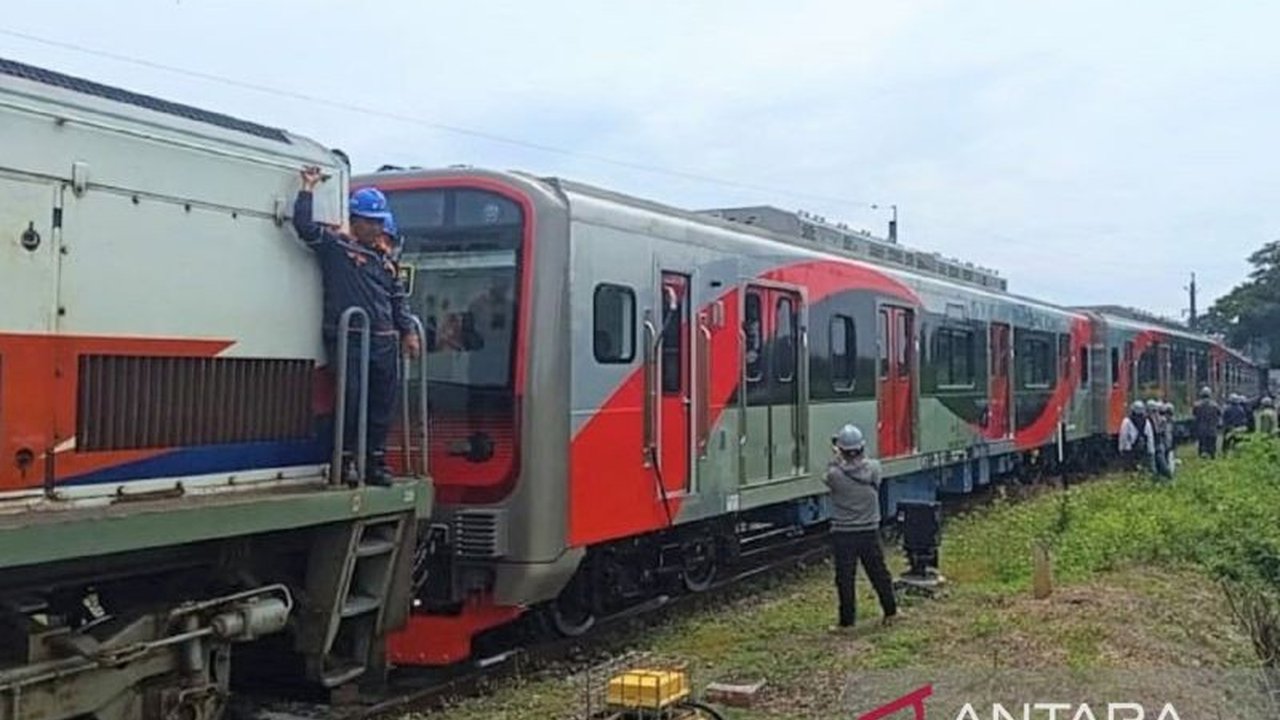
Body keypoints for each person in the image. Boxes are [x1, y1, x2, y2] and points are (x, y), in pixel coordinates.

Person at [292, 167, 421, 486]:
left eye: (379, 221)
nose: (376, 227)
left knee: (382, 401)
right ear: (355, 219)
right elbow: (305, 228)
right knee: (351, 397)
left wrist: (408, 331)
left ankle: (375, 461)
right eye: (369, 220)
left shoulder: (384, 259)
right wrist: (306, 189)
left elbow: (396, 298)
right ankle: (346, 458)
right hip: (349, 337)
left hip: (384, 339)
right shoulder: (337, 247)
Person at [824, 424, 898, 631]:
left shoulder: (835, 475)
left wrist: (837, 457)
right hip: (869, 530)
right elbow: (872, 475)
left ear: (841, 450)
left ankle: (847, 622)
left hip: (844, 534)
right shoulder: (874, 468)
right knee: (879, 572)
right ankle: (891, 611)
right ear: (862, 447)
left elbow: (829, 475)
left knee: (845, 579)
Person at [1118, 401, 1155, 472]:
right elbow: (1150, 438)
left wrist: (1121, 448)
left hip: (1129, 450)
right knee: (1143, 469)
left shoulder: (1127, 421)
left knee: (1129, 470)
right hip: (1143, 450)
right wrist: (1151, 451)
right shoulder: (1146, 422)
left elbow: (1123, 436)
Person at [1192, 387, 1221, 459]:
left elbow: (1194, 414)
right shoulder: (1215, 405)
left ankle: (1202, 461)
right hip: (1212, 430)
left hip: (1201, 430)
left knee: (1202, 447)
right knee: (1212, 449)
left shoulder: (1197, 405)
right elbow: (1219, 414)